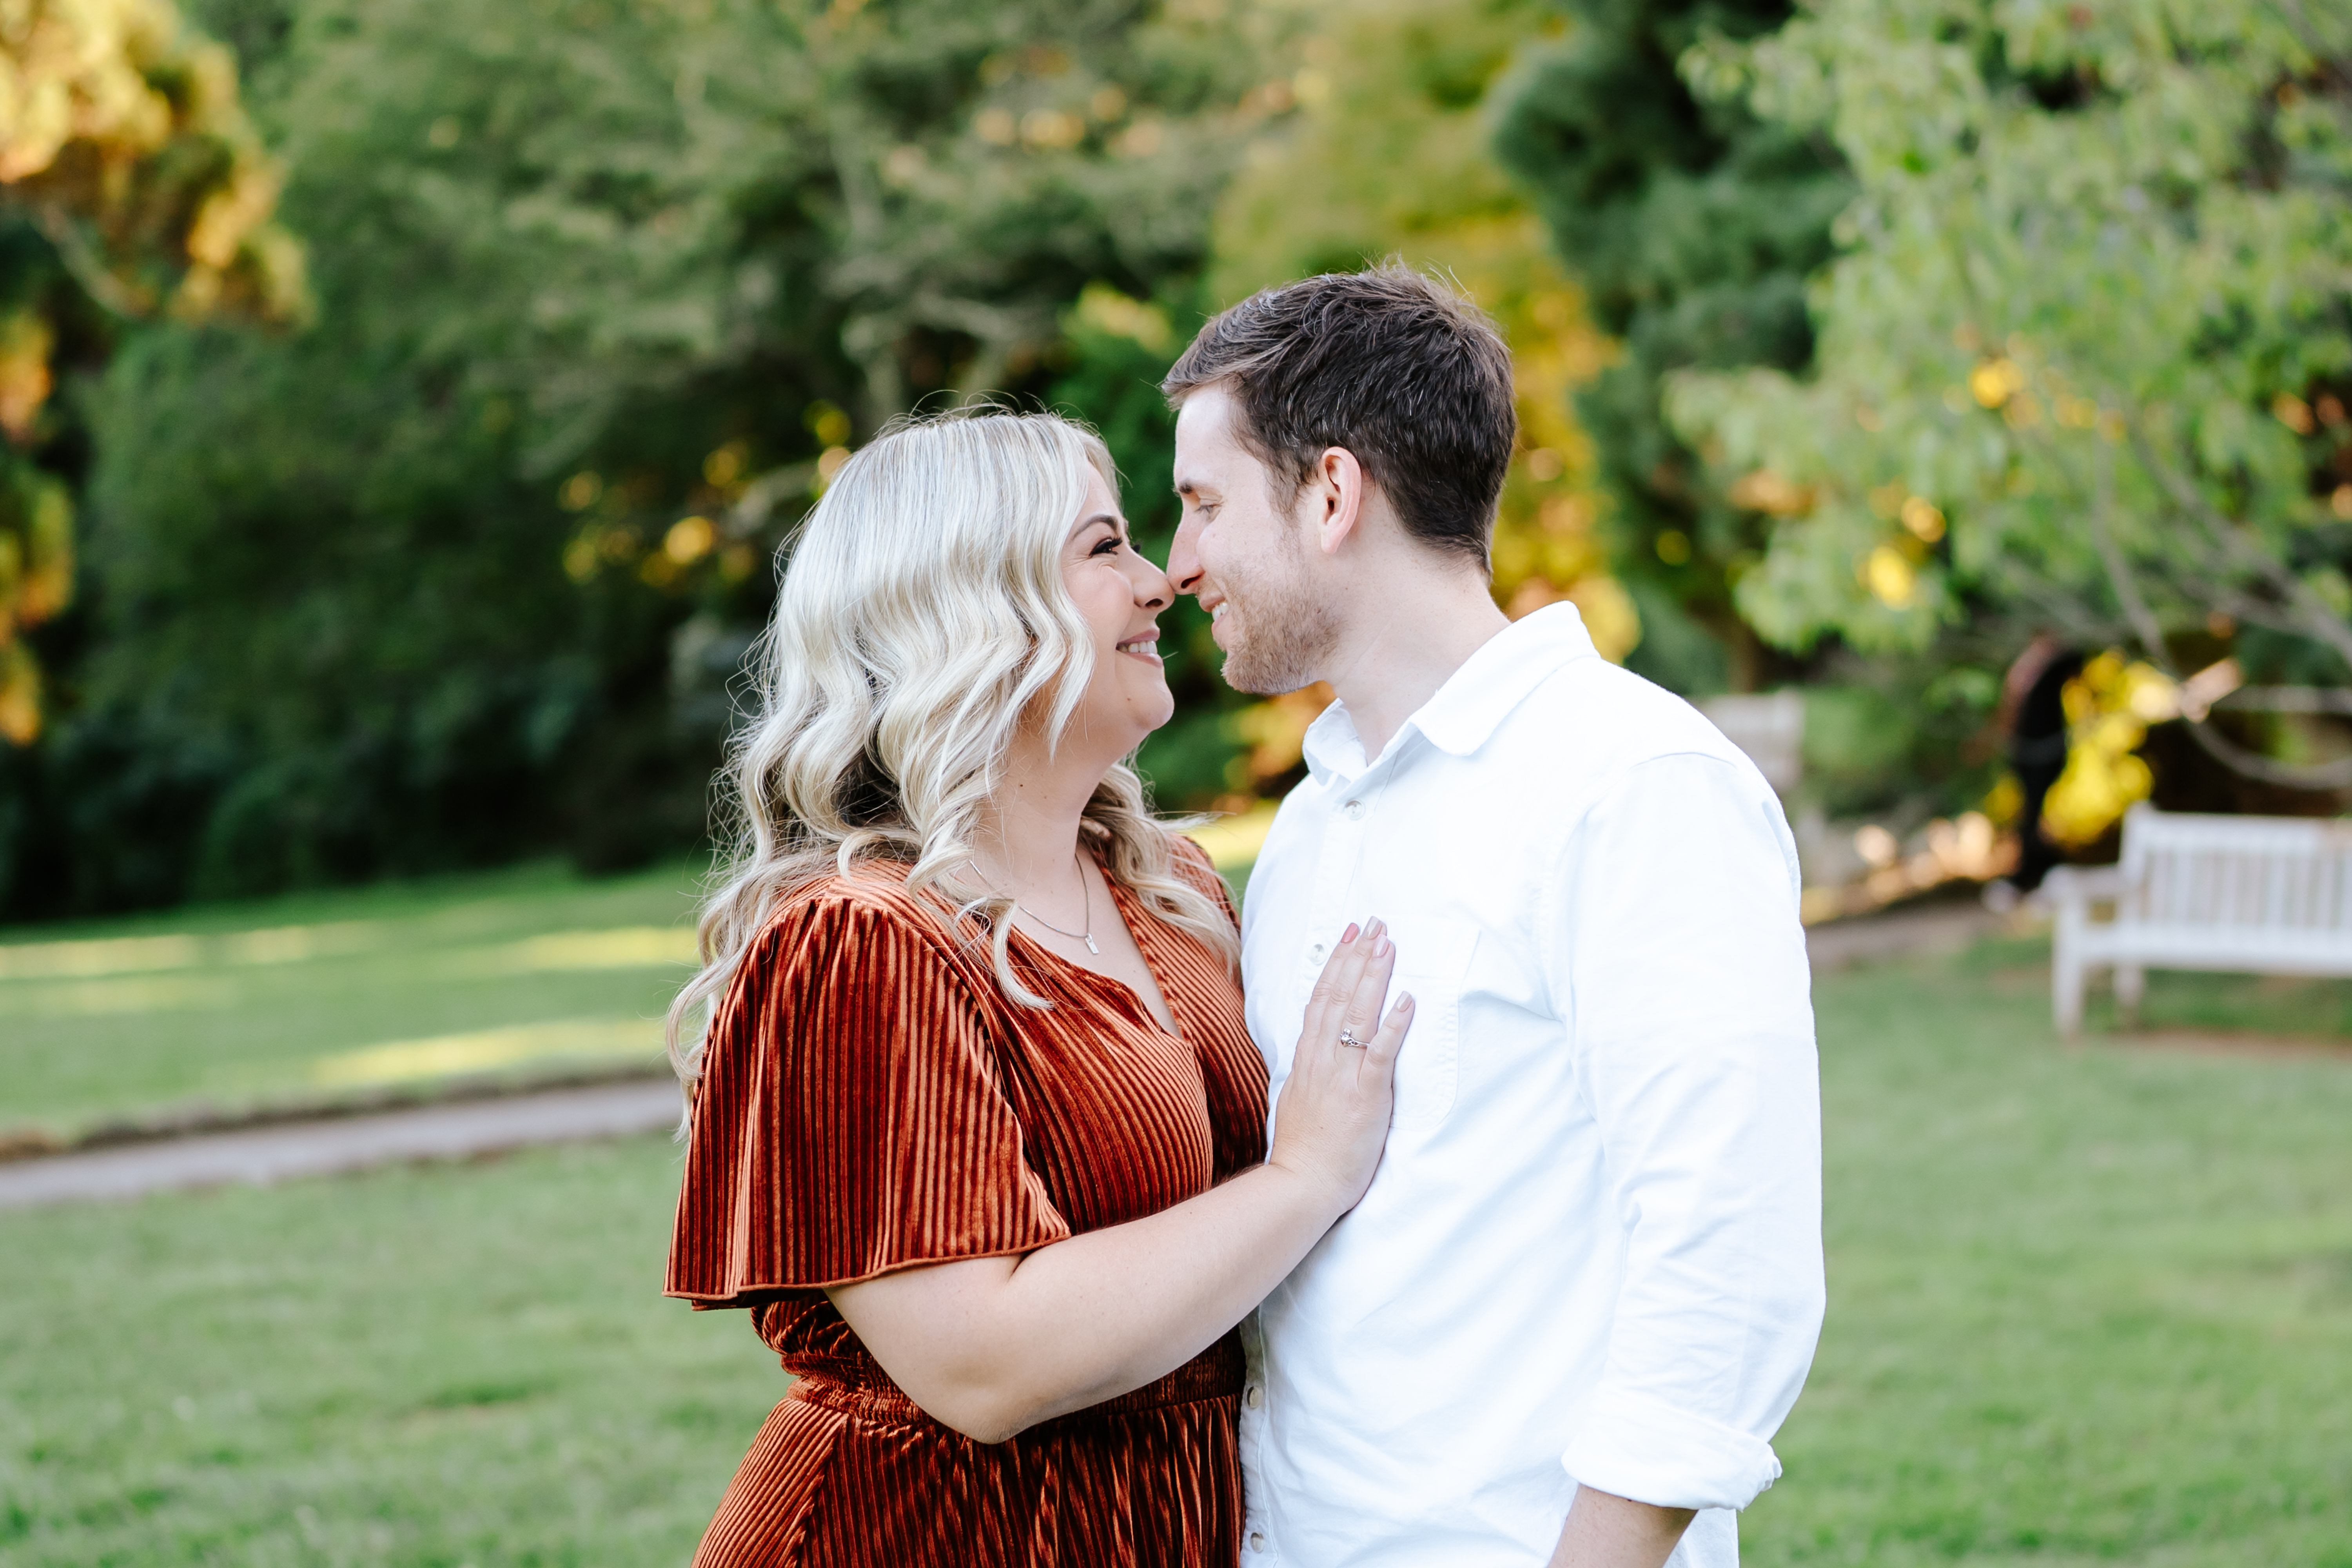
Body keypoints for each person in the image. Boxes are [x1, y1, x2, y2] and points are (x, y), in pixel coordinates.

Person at [662, 410, 1416, 1568]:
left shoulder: (1170, 890)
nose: (1163, 579)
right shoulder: (859, 946)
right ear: (972, 606)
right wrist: (1306, 1175)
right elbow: (984, 1364)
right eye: (1106, 548)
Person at [1161, 266, 1826, 1568]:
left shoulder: (1635, 785)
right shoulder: (1309, 825)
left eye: (1203, 504)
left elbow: (1725, 1264)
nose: (1180, 563)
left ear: (1333, 494)